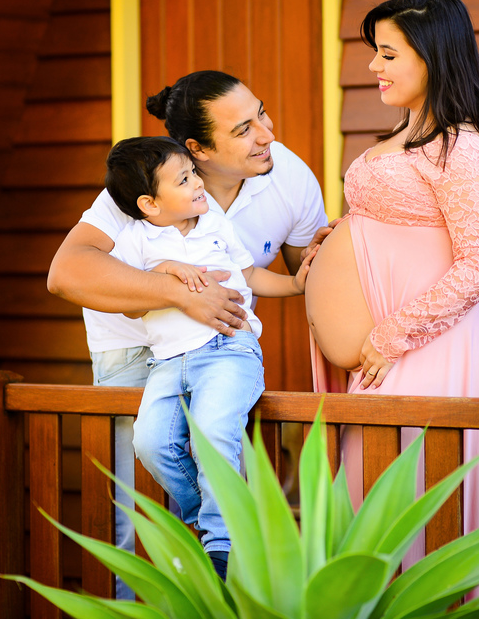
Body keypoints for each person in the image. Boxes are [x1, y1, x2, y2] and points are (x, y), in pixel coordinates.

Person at [47, 70, 328, 594]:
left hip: (221, 349)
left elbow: (307, 274)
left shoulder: (285, 172)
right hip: (136, 351)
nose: (267, 134)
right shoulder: (143, 185)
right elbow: (65, 274)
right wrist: (180, 292)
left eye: (261, 113)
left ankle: (220, 567)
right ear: (195, 149)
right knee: (136, 516)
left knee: (212, 461)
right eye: (244, 129)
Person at [303, 0, 479, 567]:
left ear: (432, 57)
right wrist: (345, 234)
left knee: (405, 503)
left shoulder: (459, 145)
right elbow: (407, 224)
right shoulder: (407, 131)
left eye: (388, 54)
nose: (374, 66)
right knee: (368, 508)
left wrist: (390, 337)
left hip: (426, 349)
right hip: (388, 351)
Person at [102, 134, 311, 579]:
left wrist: (295, 285)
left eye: (193, 172)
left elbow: (249, 273)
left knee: (213, 433)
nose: (198, 183)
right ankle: (211, 516)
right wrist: (163, 275)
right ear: (150, 204)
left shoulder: (213, 222)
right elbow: (129, 302)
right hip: (167, 361)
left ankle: (221, 546)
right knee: (151, 442)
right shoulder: (136, 240)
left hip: (227, 350)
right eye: (184, 179)